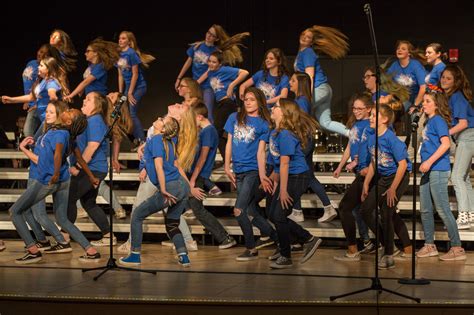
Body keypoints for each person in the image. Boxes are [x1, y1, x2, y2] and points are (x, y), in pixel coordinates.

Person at [118, 116, 192, 267]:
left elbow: (159, 167)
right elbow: (174, 163)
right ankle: (183, 256)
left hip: (170, 186)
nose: (158, 118)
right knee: (172, 223)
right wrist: (189, 187)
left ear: (163, 129)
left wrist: (163, 189)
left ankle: (134, 255)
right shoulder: (166, 140)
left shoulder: (158, 140)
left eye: (162, 120)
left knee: (137, 215)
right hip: (181, 186)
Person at [223, 87, 278, 261]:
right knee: (251, 212)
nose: (248, 102)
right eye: (246, 99)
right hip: (238, 170)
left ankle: (251, 247)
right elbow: (229, 143)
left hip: (252, 171)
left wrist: (263, 175)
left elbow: (261, 152)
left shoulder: (263, 124)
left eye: (252, 99)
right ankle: (282, 240)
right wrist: (226, 165)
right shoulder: (234, 118)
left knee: (239, 210)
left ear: (259, 102)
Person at [267, 98, 322, 268]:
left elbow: (285, 163)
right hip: (286, 176)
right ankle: (307, 239)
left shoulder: (286, 135)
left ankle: (288, 253)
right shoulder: (275, 133)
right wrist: (272, 180)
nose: (272, 108)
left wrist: (283, 190)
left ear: (283, 112)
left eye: (275, 107)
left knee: (279, 215)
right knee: (272, 214)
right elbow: (278, 164)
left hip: (297, 177)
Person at [417, 85, 466, 261]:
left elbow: (445, 144)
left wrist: (429, 161)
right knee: (425, 209)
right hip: (428, 169)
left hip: (437, 169)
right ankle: (430, 245)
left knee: (442, 209)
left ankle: (457, 248)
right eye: (423, 101)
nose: (424, 104)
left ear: (436, 105)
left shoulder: (438, 121)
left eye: (428, 101)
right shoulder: (428, 121)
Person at [360, 105, 411, 269]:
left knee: (387, 212)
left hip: (398, 178)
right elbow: (375, 162)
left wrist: (393, 189)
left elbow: (402, 166)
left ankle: (388, 255)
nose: (370, 117)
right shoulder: (371, 137)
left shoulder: (391, 138)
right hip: (384, 178)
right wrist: (367, 183)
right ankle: (387, 244)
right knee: (366, 210)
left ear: (384, 119)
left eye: (374, 115)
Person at [66, 92, 116, 247]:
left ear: (97, 105)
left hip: (92, 168)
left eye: (88, 99)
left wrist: (77, 167)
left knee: (70, 198)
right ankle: (108, 236)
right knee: (89, 203)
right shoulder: (90, 120)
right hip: (93, 168)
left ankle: (64, 236)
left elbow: (92, 146)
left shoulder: (95, 120)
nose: (84, 101)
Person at [185, 102, 237, 248]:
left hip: (199, 176)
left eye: (192, 118)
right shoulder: (205, 131)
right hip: (196, 175)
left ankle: (225, 238)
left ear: (200, 117)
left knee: (198, 210)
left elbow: (202, 158)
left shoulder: (208, 131)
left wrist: (193, 180)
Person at [287, 71, 336, 223]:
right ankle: (326, 207)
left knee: (295, 175)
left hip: (303, 141)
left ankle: (298, 210)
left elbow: (299, 123)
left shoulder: (301, 101)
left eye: (293, 80)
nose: (290, 82)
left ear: (300, 83)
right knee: (308, 176)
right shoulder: (302, 99)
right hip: (305, 140)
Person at [176, 25, 249, 123]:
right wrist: (180, 78)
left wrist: (231, 85)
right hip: (197, 82)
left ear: (216, 38)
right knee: (190, 109)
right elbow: (188, 62)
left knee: (207, 111)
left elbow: (208, 72)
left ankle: (210, 132)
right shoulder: (197, 47)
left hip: (208, 86)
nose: (209, 36)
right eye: (208, 33)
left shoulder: (216, 51)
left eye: (212, 35)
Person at [294, 26, 349, 137]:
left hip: (317, 88)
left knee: (297, 111)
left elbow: (310, 75)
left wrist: (307, 95)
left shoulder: (307, 52)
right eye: (304, 35)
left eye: (308, 37)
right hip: (324, 89)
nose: (305, 38)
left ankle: (300, 140)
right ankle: (352, 134)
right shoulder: (302, 52)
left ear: (311, 42)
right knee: (325, 123)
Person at [441, 65, 474, 229]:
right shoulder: (453, 97)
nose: (444, 80)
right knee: (464, 178)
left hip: (468, 136)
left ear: (456, 81)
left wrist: (444, 133)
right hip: (467, 137)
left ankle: (463, 217)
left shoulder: (457, 96)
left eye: (448, 78)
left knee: (456, 177)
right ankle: (471, 215)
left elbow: (463, 123)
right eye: (443, 77)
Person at [198, 51, 249, 157]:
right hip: (221, 104)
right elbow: (198, 82)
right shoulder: (210, 71)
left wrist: (232, 85)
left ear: (220, 64)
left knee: (217, 132)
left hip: (228, 103)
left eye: (214, 62)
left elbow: (245, 72)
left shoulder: (224, 70)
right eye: (209, 61)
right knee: (221, 135)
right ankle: (228, 160)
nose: (211, 64)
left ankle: (226, 160)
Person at [2, 57, 68, 138]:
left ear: (48, 69)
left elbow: (53, 97)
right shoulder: (44, 81)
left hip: (49, 121)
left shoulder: (51, 82)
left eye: (41, 65)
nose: (38, 67)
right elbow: (31, 97)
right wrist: (11, 100)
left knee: (34, 142)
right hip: (44, 118)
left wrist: (50, 109)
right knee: (32, 140)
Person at [116, 31, 155, 147]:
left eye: (123, 38)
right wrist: (120, 92)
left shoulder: (131, 54)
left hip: (138, 87)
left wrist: (130, 92)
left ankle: (143, 143)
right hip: (127, 88)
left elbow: (135, 74)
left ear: (129, 41)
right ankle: (135, 140)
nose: (120, 40)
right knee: (120, 110)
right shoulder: (118, 54)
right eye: (119, 38)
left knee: (132, 113)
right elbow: (120, 75)